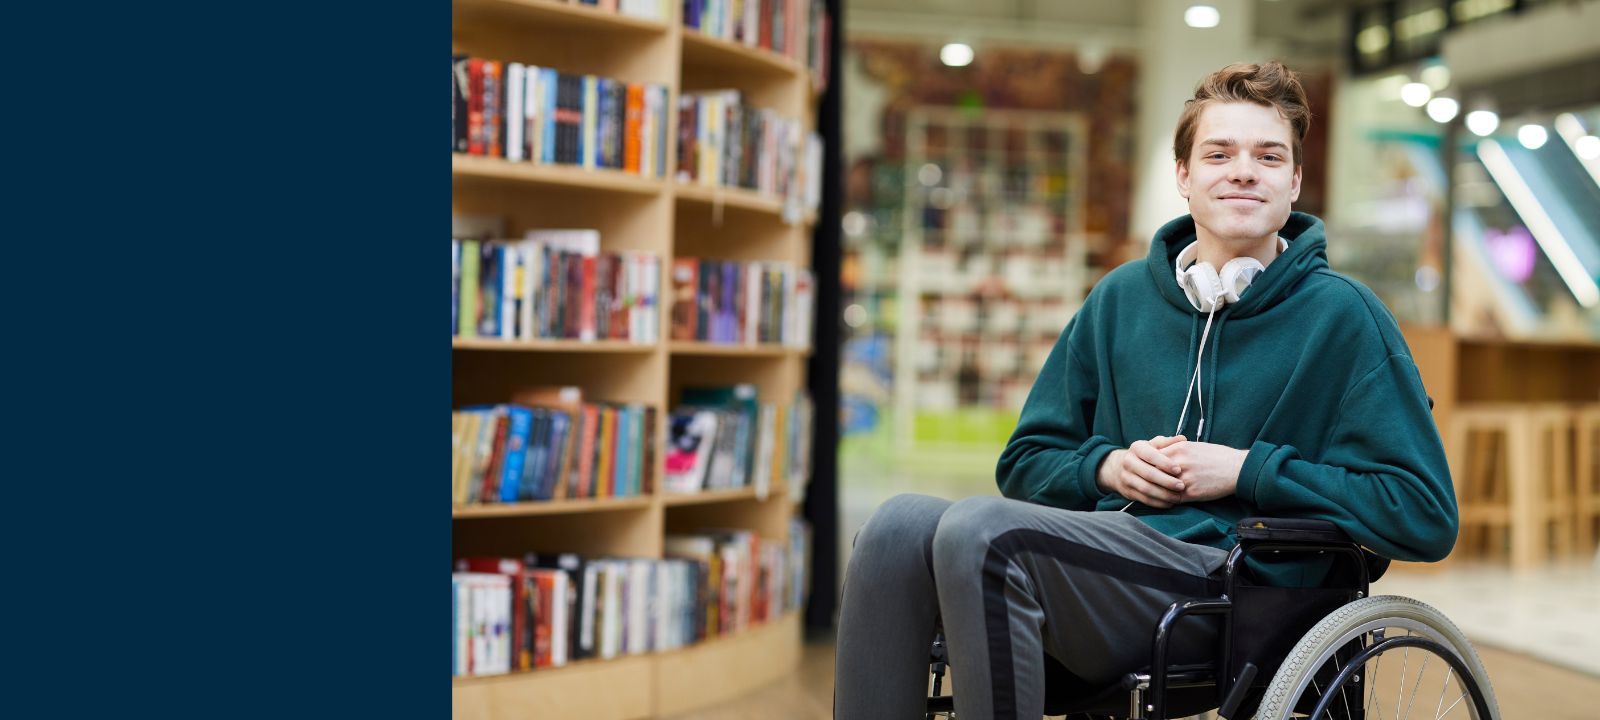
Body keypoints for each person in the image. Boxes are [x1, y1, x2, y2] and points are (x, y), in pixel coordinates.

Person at [832, 61, 1457, 720]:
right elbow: (1025, 461)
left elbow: (1422, 513)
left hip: (1235, 594)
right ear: (1184, 175)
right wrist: (1111, 467)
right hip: (1106, 571)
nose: (1243, 170)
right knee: (896, 525)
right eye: (1219, 153)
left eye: (1268, 156)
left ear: (1294, 181)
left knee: (982, 530)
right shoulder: (1120, 299)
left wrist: (1246, 469)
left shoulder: (1345, 317)